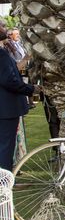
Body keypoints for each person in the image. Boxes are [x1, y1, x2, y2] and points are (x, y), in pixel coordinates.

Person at [0, 26, 37, 170]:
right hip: (6, 109)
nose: (4, 28)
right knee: (5, 147)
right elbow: (9, 81)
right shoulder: (1, 55)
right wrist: (31, 89)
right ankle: (4, 184)